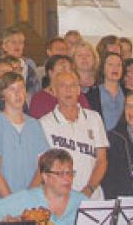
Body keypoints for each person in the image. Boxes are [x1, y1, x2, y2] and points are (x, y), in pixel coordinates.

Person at [38, 70, 108, 200]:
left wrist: (89, 189)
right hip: (59, 199)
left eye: (73, 85)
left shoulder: (94, 118)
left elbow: (102, 160)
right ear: (54, 91)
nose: (68, 90)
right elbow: (43, 166)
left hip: (92, 196)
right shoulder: (44, 123)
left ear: (79, 90)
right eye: (63, 86)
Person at [0, 72, 49, 203]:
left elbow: (43, 165)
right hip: (1, 203)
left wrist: (29, 197)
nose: (18, 93)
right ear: (2, 95)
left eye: (21, 88)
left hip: (31, 202)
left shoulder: (35, 125)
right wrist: (13, 203)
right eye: (12, 89)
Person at [0, 148, 85, 225]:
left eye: (70, 173)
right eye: (60, 174)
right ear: (45, 177)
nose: (67, 179)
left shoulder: (81, 201)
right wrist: (6, 221)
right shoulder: (26, 198)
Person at [86, 52, 125, 134]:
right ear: (102, 68)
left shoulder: (129, 94)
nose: (115, 68)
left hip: (124, 142)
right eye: (110, 64)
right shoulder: (91, 95)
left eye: (119, 65)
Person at [0, 27, 40, 94]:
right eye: (13, 42)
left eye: (21, 42)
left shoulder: (28, 67)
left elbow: (35, 92)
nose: (17, 45)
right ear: (4, 46)